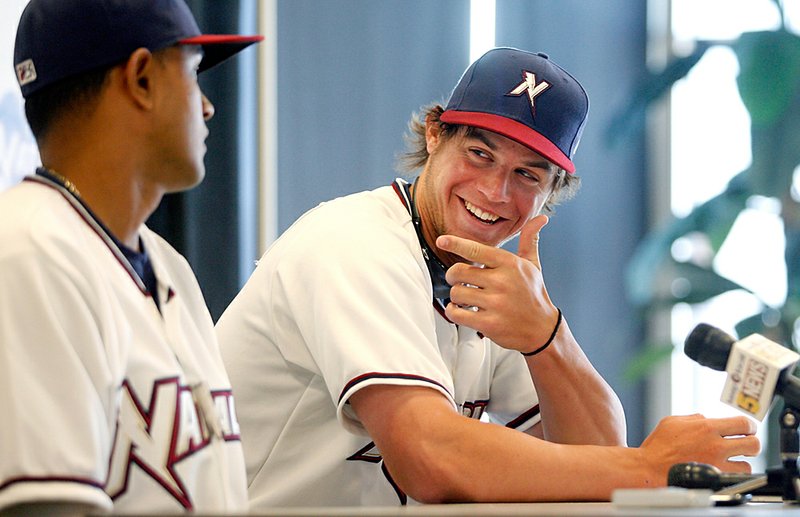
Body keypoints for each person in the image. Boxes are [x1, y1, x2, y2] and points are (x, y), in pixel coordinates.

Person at [216, 47, 759, 507]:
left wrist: (548, 335)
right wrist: (650, 468)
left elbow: (593, 456)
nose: (496, 191)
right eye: (479, 153)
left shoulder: (489, 278)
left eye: (527, 174)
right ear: (435, 135)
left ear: (552, 193)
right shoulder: (353, 241)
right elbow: (428, 459)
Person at [0, 0, 262, 515]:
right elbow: (48, 507)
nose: (207, 107)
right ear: (141, 78)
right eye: (191, 73)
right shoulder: (27, 254)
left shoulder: (169, 268)